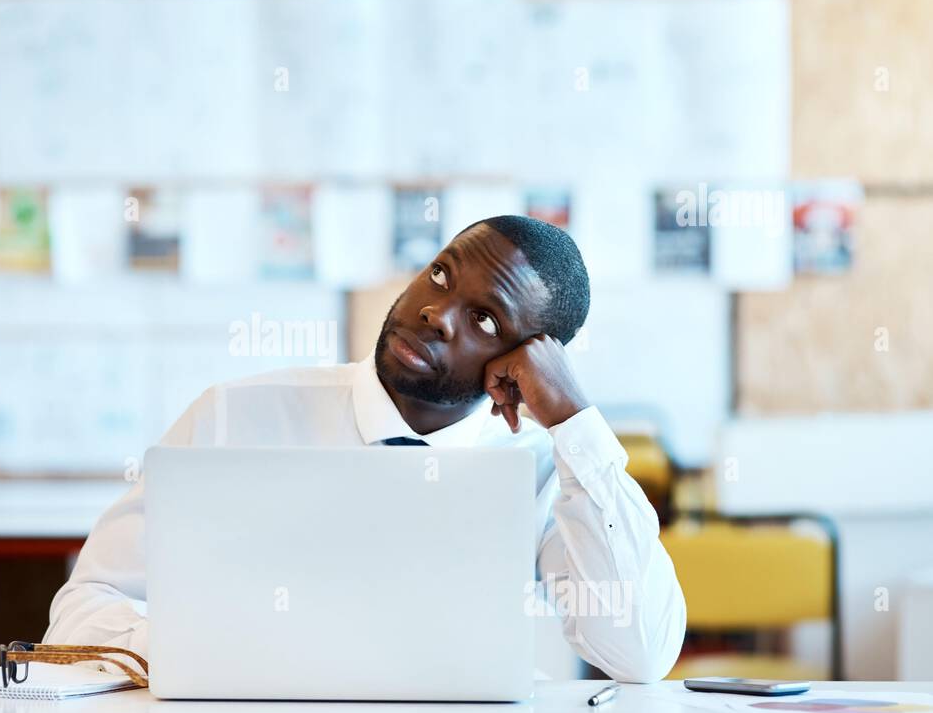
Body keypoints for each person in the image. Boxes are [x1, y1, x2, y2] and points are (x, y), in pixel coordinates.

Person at [45, 215, 686, 683]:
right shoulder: (234, 416)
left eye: (485, 319)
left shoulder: (543, 474)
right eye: (440, 273)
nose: (437, 312)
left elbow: (635, 652)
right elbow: (81, 613)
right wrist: (223, 655)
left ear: (520, 363)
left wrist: (574, 422)